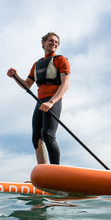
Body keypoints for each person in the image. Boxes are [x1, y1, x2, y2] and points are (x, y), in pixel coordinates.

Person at [7, 32, 70, 165]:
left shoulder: (60, 60)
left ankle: (56, 173)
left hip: (53, 101)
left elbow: (65, 85)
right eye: (51, 41)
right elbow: (26, 85)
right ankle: (44, 172)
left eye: (56, 42)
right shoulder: (37, 64)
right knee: (36, 138)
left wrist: (51, 102)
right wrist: (15, 76)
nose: (54, 44)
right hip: (40, 102)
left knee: (48, 135)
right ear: (43, 43)